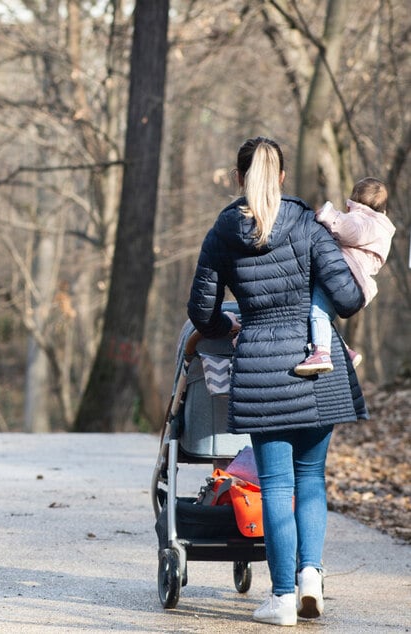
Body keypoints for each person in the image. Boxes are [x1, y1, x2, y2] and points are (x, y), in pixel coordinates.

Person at [188, 137, 366, 626]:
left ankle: (283, 597)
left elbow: (201, 313)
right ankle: (311, 574)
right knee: (311, 479)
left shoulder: (222, 232)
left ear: (237, 177)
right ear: (283, 177)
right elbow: (348, 299)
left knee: (276, 485)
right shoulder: (309, 225)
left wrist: (232, 326)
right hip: (318, 366)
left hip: (263, 372)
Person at [294, 177, 396, 375]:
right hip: (354, 282)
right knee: (324, 316)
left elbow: (349, 229)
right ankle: (344, 350)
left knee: (318, 313)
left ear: (356, 202)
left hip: (344, 275)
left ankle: (322, 353)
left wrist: (328, 214)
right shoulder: (380, 226)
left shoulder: (365, 221)